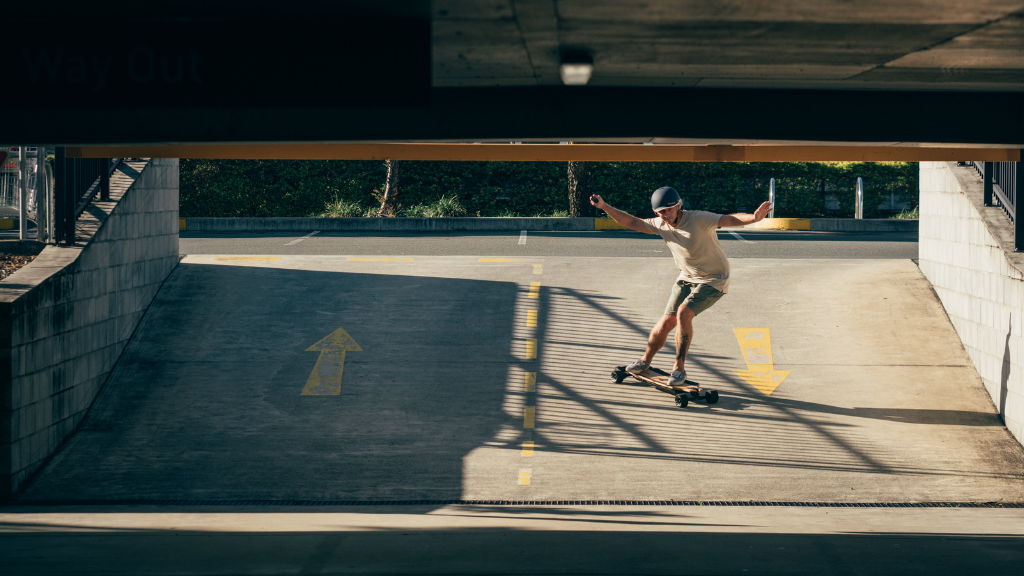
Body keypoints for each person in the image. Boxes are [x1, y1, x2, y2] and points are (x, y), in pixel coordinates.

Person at [589, 187, 772, 385]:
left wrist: (754, 218)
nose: (666, 215)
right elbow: (632, 222)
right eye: (661, 212)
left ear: (678, 206)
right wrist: (604, 206)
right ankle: (644, 361)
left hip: (714, 279)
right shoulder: (659, 224)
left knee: (684, 313)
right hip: (686, 277)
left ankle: (678, 369)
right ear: (655, 212)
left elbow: (728, 219)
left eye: (669, 210)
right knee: (666, 322)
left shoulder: (698, 218)